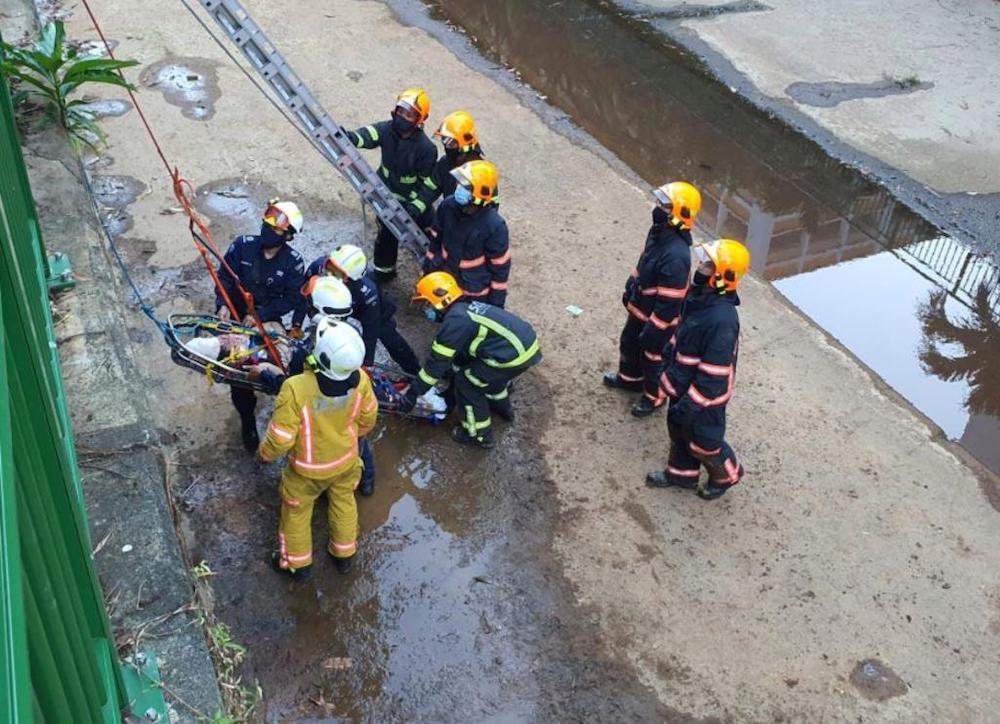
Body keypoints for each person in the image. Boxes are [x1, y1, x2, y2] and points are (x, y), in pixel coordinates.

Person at [259, 318, 378, 579]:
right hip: (346, 461)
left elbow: (281, 439)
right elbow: (368, 419)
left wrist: (265, 455)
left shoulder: (296, 388)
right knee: (344, 502)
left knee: (296, 512)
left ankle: (297, 566)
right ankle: (344, 555)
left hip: (306, 472)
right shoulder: (361, 380)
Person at [256, 278, 380, 498]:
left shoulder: (308, 350)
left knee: (318, 443)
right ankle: (366, 479)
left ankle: (321, 482)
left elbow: (293, 387)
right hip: (349, 411)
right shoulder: (351, 335)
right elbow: (367, 417)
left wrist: (267, 375)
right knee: (358, 442)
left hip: (319, 416)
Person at [646, 238, 750, 500]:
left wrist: (693, 403)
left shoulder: (722, 320)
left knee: (705, 441)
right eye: (704, 263)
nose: (700, 268)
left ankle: (727, 474)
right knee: (679, 431)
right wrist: (667, 363)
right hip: (682, 382)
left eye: (708, 266)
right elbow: (681, 335)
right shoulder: (698, 298)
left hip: (705, 398)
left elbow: (714, 374)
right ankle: (681, 475)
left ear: (723, 277)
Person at [398, 272, 540, 448]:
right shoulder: (465, 310)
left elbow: (435, 366)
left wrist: (413, 393)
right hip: (523, 347)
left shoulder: (455, 323)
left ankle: (478, 435)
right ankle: (502, 408)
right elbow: (461, 357)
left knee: (467, 382)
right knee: (485, 376)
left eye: (427, 303)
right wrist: (449, 396)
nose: (426, 309)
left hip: (512, 356)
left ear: (439, 301)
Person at [603, 181, 701, 418]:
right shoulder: (658, 233)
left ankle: (654, 397)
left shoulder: (677, 255)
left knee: (653, 358)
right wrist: (631, 284)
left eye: (664, 206)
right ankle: (630, 379)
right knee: (629, 342)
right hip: (641, 308)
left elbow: (671, 300)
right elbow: (644, 261)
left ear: (679, 214)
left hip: (659, 320)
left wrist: (656, 328)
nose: (657, 208)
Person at [215, 199, 307, 451]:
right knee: (237, 368)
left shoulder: (293, 263)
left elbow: (292, 299)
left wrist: (261, 315)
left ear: (288, 235)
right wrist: (222, 304)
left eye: (275, 228)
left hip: (267, 318)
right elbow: (224, 278)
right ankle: (247, 419)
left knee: (280, 360)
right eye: (267, 222)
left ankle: (287, 411)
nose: (267, 229)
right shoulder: (242, 246)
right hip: (234, 315)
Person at [344, 88, 437, 282]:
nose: (402, 117)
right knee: (386, 236)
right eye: (401, 111)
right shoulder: (387, 129)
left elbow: (427, 187)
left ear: (420, 119)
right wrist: (349, 137)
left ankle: (435, 274)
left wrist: (414, 208)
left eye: (409, 114)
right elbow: (368, 135)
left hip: (412, 204)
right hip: (386, 196)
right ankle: (384, 273)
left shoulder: (426, 149)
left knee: (430, 237)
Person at [295, 244, 421, 376]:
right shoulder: (317, 268)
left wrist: (366, 362)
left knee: (390, 337)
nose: (329, 274)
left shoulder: (367, 294)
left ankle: (414, 371)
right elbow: (304, 298)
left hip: (368, 310)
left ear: (351, 278)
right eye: (329, 266)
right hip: (334, 307)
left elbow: (371, 330)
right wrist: (296, 324)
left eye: (337, 273)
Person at [422, 160, 510, 308]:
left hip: (473, 295)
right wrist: (428, 270)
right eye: (459, 183)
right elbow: (435, 240)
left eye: (465, 186)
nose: (458, 187)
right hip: (446, 283)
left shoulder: (494, 227)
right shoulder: (448, 206)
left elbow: (500, 271)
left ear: (479, 194)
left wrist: (495, 308)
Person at [414, 110, 485, 213]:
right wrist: (415, 208)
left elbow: (486, 214)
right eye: (444, 140)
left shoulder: (483, 176)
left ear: (464, 146)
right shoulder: (445, 164)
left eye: (450, 143)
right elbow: (430, 189)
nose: (446, 147)